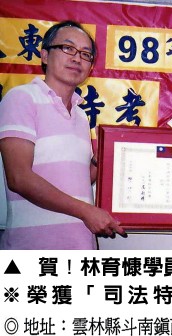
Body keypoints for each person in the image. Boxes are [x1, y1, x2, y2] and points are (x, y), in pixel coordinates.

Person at [0, 20, 126, 250]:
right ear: (45, 55)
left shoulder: (81, 115)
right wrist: (87, 212)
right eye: (68, 48)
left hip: (81, 247)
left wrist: (99, 161)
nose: (77, 58)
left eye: (86, 54)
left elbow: (78, 183)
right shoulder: (22, 98)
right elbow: (19, 178)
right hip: (33, 249)